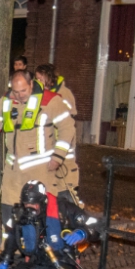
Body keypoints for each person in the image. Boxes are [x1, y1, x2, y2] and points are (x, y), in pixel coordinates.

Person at [0, 70, 74, 242]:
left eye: (23, 91)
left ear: (31, 84)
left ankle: (42, 251)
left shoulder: (51, 101)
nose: (19, 95)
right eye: (15, 91)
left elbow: (67, 128)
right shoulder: (6, 102)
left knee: (40, 211)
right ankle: (9, 249)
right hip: (13, 170)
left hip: (40, 170)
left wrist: (58, 157)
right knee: (9, 210)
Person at [34, 63, 82, 207]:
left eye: (39, 78)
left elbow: (67, 121)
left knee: (65, 190)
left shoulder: (64, 94)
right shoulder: (40, 94)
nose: (37, 81)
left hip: (63, 153)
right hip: (49, 149)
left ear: (48, 77)